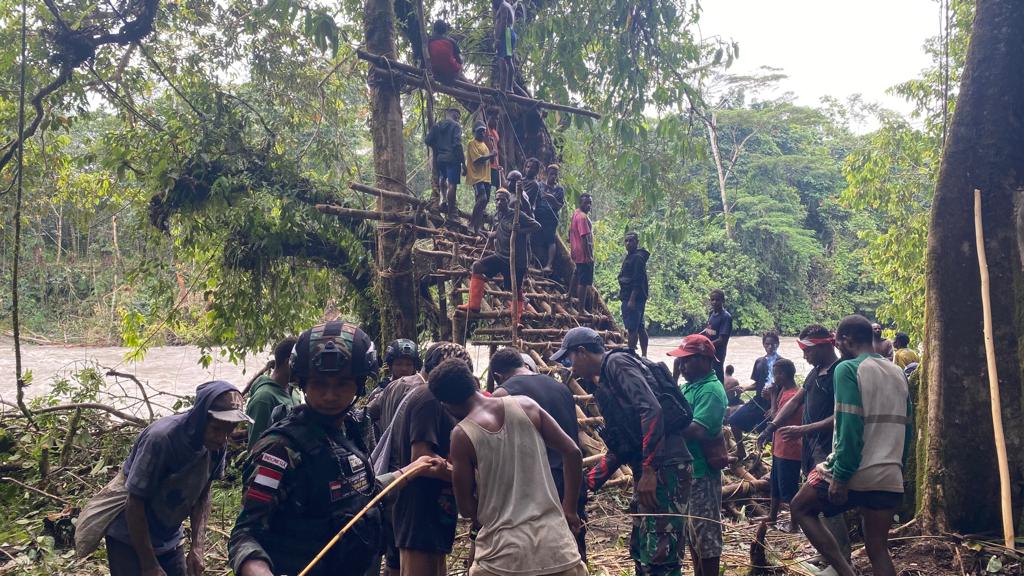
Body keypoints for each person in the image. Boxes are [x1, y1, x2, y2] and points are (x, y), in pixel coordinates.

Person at [228, 322, 446, 576]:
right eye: (319, 384)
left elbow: (365, 495)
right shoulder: (279, 449)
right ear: (303, 384)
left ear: (360, 385)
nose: (330, 395)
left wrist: (412, 470)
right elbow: (245, 534)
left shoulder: (351, 429)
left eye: (342, 384)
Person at [551, 327, 692, 576]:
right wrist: (589, 483)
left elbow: (651, 410)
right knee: (642, 548)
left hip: (665, 465)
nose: (570, 366)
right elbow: (623, 445)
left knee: (661, 555)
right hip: (649, 467)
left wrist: (649, 470)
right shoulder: (606, 379)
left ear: (582, 352)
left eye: (569, 358)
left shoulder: (617, 363)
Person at [434, 358, 588, 576]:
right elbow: (572, 452)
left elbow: (467, 508)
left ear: (446, 404)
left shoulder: (461, 435)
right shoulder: (526, 405)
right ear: (474, 383)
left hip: (501, 559)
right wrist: (569, 508)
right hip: (556, 549)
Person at [790, 315, 913, 576]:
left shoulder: (847, 369)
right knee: (878, 549)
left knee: (800, 507)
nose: (837, 348)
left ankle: (845, 571)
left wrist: (841, 477)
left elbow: (848, 427)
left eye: (838, 342)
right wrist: (898, 468)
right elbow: (907, 427)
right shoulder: (898, 372)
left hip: (855, 470)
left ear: (846, 340)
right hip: (890, 473)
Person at [101, 380, 250, 576]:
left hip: (168, 536)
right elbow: (134, 502)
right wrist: (149, 564)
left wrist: (197, 547)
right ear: (200, 419)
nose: (222, 438)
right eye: (216, 429)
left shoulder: (217, 446)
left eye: (229, 431)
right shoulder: (162, 439)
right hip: (128, 537)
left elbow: (203, 496)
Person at [366, 342, 474, 576]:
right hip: (421, 506)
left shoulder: (433, 396)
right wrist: (468, 476)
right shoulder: (429, 398)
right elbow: (422, 458)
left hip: (434, 506)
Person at [759, 324, 850, 564]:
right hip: (810, 447)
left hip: (828, 448)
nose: (804, 356)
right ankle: (826, 554)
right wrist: (772, 426)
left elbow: (842, 416)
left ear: (822, 346)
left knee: (827, 501)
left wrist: (803, 429)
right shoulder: (816, 372)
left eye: (808, 351)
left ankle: (841, 557)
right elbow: (796, 401)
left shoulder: (840, 371)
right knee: (817, 502)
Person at [489, 348, 588, 560]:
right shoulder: (561, 388)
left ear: (498, 376)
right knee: (574, 552)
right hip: (571, 479)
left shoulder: (503, 395)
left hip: (537, 488)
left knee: (538, 556)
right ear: (523, 365)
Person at [667, 335, 727, 576]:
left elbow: (697, 430)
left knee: (706, 537)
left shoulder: (711, 390)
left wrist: (665, 430)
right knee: (693, 534)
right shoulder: (688, 387)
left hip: (702, 473)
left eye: (687, 361)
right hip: (688, 472)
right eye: (680, 362)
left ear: (704, 360)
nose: (682, 367)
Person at [458, 188, 541, 324]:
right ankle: (474, 305)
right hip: (500, 257)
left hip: (516, 261)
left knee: (514, 290)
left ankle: (517, 320)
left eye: (502, 199)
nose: (499, 202)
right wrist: (492, 235)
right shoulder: (497, 216)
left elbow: (536, 226)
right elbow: (502, 230)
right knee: (477, 266)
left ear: (508, 201)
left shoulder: (517, 215)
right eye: (497, 199)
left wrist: (520, 230)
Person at [727, 331, 780, 461]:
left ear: (777, 344)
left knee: (770, 433)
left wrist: (775, 407)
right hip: (758, 400)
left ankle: (771, 458)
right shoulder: (759, 362)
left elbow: (786, 387)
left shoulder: (782, 363)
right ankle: (740, 451)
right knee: (734, 420)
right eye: (767, 344)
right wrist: (745, 388)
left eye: (773, 344)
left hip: (774, 403)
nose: (770, 347)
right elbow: (758, 384)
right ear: (763, 344)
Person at [762, 359, 801, 531]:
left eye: (775, 373)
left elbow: (774, 417)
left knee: (789, 489)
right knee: (776, 485)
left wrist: (771, 397)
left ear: (783, 375)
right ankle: (772, 516)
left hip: (789, 449)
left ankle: (794, 523)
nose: (773, 377)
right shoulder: (784, 390)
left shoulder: (793, 395)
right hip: (779, 447)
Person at [246, 337, 302, 445]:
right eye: (301, 364)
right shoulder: (264, 399)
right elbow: (255, 446)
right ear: (288, 362)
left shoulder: (294, 393)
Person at [424, 108, 465, 217]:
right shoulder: (456, 126)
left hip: (440, 159)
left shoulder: (437, 126)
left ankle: (444, 200)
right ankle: (451, 212)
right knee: (452, 185)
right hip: (452, 159)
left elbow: (427, 140)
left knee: (443, 178)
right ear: (454, 115)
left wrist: (437, 146)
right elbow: (457, 144)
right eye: (458, 116)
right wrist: (463, 163)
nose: (458, 119)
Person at [618, 231, 650, 356]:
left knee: (632, 329)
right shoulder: (631, 256)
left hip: (634, 299)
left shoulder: (637, 258)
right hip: (632, 297)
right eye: (626, 241)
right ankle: (644, 355)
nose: (628, 243)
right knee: (640, 327)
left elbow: (638, 280)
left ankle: (631, 355)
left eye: (631, 241)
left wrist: (632, 299)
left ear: (637, 242)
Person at [467, 124, 498, 234]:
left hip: (486, 178)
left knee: (484, 203)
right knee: (482, 198)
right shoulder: (472, 144)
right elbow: (477, 160)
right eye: (480, 131)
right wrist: (491, 155)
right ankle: (471, 223)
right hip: (477, 177)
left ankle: (477, 228)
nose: (482, 133)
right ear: (474, 132)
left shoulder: (485, 146)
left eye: (484, 131)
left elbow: (492, 162)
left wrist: (493, 150)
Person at [536, 164, 567, 273]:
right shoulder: (540, 185)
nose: (553, 176)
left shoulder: (559, 190)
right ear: (547, 174)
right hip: (538, 216)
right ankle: (535, 262)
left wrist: (552, 199)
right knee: (536, 238)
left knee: (551, 240)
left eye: (555, 174)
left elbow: (559, 206)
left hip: (551, 219)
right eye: (551, 174)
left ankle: (549, 265)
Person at [699, 289, 732, 385]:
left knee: (717, 375)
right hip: (707, 351)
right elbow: (708, 330)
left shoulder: (726, 317)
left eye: (717, 300)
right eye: (712, 300)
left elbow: (722, 340)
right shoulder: (711, 314)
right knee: (707, 375)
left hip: (718, 353)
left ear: (723, 301)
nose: (714, 302)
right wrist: (696, 337)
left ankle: (721, 395)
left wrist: (706, 345)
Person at [568, 193, 594, 313]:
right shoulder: (582, 217)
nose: (588, 205)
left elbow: (570, 232)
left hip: (576, 250)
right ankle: (581, 309)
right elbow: (585, 238)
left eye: (590, 203)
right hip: (583, 253)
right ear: (581, 203)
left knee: (577, 272)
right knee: (583, 282)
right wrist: (589, 256)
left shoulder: (575, 213)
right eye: (586, 203)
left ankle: (569, 295)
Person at [492, 0, 517, 93]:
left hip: (506, 35)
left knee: (504, 61)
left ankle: (506, 88)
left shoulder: (503, 6)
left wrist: (498, 39)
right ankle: (506, 88)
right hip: (507, 34)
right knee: (507, 59)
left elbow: (503, 22)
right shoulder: (506, 6)